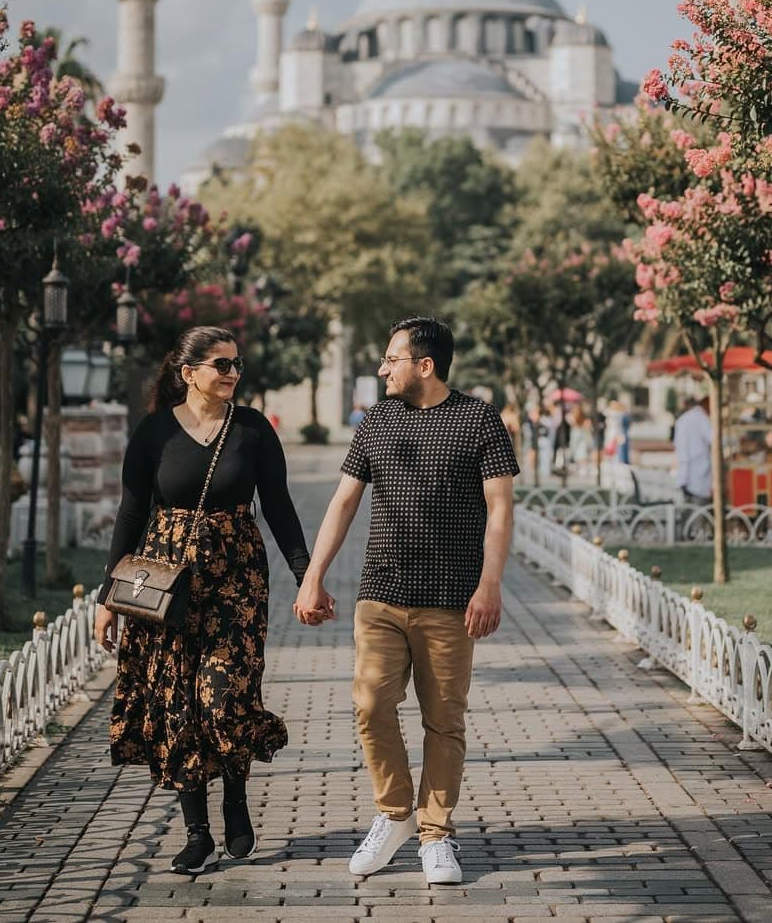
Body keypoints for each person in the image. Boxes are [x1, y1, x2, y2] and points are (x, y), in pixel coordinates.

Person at [293, 316, 517, 886]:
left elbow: (500, 508)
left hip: (451, 599)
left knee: (444, 721)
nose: (381, 368)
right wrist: (313, 575)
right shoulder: (376, 422)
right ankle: (395, 814)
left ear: (425, 365)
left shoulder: (478, 419)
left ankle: (436, 835)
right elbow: (343, 504)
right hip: (382, 593)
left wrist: (489, 584)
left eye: (391, 359)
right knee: (370, 704)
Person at [95, 325, 312, 876]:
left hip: (237, 581)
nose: (233, 373)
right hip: (167, 582)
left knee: (225, 698)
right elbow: (130, 513)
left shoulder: (253, 430)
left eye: (237, 363)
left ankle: (235, 797)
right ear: (188, 372)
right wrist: (107, 599)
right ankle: (197, 833)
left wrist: (305, 574)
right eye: (222, 364)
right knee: (178, 706)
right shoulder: (152, 435)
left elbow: (280, 506)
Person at [674, 394, 713, 505]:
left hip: (686, 471)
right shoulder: (701, 418)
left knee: (689, 509)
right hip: (698, 472)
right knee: (698, 510)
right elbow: (714, 438)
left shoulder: (682, 420)